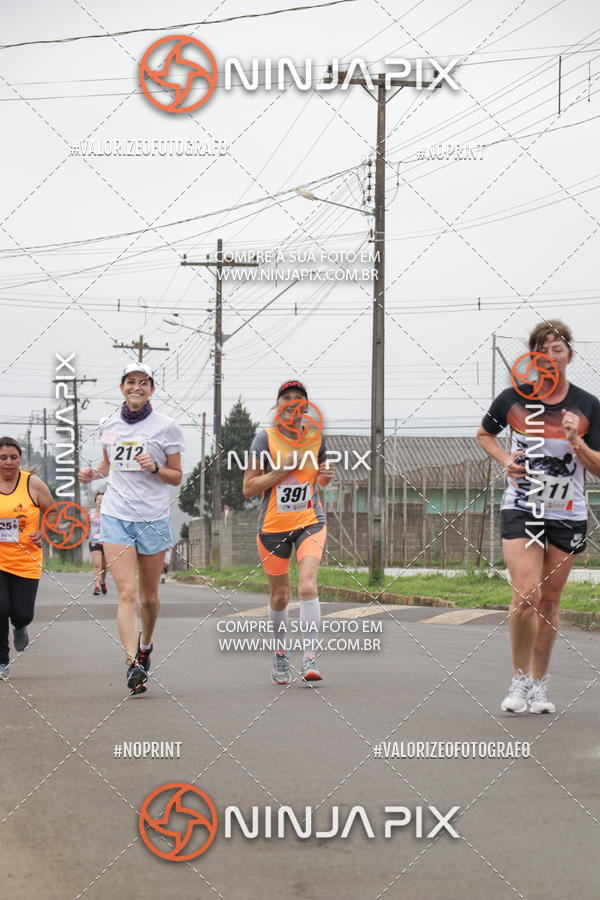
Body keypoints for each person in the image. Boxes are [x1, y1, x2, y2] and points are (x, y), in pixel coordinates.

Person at [477, 320, 600, 714]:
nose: (552, 354)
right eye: (543, 348)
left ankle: (539, 685)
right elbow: (484, 434)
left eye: (559, 348)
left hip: (569, 512)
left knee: (548, 600)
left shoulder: (587, 406)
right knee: (527, 593)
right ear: (533, 356)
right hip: (523, 506)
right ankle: (518, 679)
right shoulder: (514, 398)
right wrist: (505, 459)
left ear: (569, 356)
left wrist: (576, 441)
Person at [79, 363, 184, 695]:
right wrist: (93, 474)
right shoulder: (109, 425)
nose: (136, 386)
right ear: (122, 387)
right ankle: (132, 663)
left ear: (152, 389)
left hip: (152, 516)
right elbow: (107, 465)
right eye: (130, 381)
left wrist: (155, 467)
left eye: (143, 382)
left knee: (149, 598)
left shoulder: (166, 427)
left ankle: (146, 645)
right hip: (115, 515)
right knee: (126, 592)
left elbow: (177, 476)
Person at [242, 379, 334, 685]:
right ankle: (280, 654)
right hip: (272, 528)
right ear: (278, 406)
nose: (292, 403)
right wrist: (281, 470)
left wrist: (326, 478)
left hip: (310, 521)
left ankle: (310, 657)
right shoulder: (264, 439)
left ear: (306, 407)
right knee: (280, 595)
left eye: (298, 398)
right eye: (286, 398)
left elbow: (319, 481)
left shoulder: (316, 438)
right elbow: (248, 487)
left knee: (307, 586)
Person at [0, 437, 57, 679]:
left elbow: (52, 512)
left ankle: (20, 625)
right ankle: (2, 660)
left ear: (20, 458)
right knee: (0, 608)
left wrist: (42, 531)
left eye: (13, 457)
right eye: (3, 458)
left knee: (22, 613)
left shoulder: (32, 484)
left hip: (26, 560)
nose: (8, 462)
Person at [89, 491, 107, 595]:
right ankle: (96, 586)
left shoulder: (109, 513)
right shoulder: (90, 512)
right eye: (98, 499)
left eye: (103, 500)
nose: (100, 501)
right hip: (94, 541)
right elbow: (85, 525)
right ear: (95, 501)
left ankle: (103, 582)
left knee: (104, 566)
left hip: (105, 542)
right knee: (97, 564)